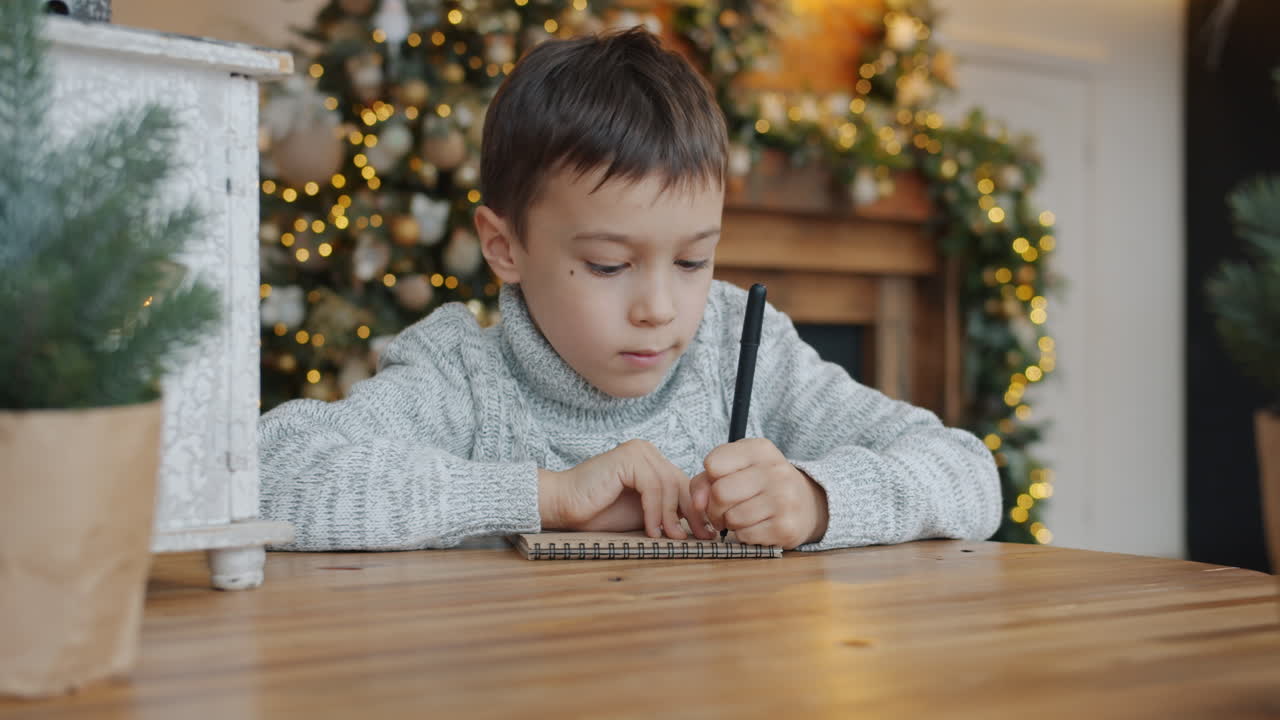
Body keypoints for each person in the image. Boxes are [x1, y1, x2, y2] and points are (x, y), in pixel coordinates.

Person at [257, 28, 1001, 552]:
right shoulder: (462, 377)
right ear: (503, 246)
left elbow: (968, 473)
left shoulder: (734, 342)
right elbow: (269, 477)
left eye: (693, 262)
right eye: (610, 266)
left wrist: (814, 501)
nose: (660, 308)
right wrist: (546, 496)